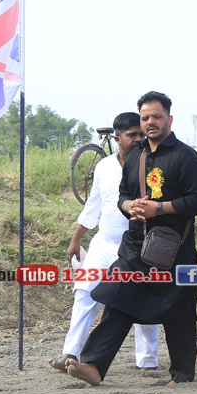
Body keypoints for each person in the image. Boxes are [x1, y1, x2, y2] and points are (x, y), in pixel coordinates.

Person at [66, 92, 197, 386]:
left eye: (156, 116)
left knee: (180, 311)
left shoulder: (185, 156)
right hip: (135, 246)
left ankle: (182, 374)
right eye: (145, 117)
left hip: (175, 248)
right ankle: (94, 365)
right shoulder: (136, 156)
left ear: (169, 119)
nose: (150, 122)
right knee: (117, 297)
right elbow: (122, 195)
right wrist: (128, 206)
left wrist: (160, 208)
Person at [50, 113, 160, 373]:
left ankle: (147, 359)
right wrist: (76, 239)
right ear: (117, 138)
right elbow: (93, 205)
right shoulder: (104, 166)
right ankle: (71, 353)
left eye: (141, 133)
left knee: (142, 299)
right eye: (132, 135)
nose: (139, 138)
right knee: (85, 291)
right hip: (104, 243)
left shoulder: (154, 165)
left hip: (140, 247)